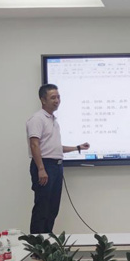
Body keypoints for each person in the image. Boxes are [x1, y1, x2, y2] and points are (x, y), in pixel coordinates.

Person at [26, 84, 90, 234]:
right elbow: (34, 144)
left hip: (56, 167)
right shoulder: (37, 119)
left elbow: (54, 147)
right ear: (43, 100)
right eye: (53, 97)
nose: (57, 100)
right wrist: (41, 169)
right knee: (42, 208)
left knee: (52, 208)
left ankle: (47, 241)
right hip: (44, 165)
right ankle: (37, 244)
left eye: (58, 97)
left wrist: (77, 147)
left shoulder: (53, 120)